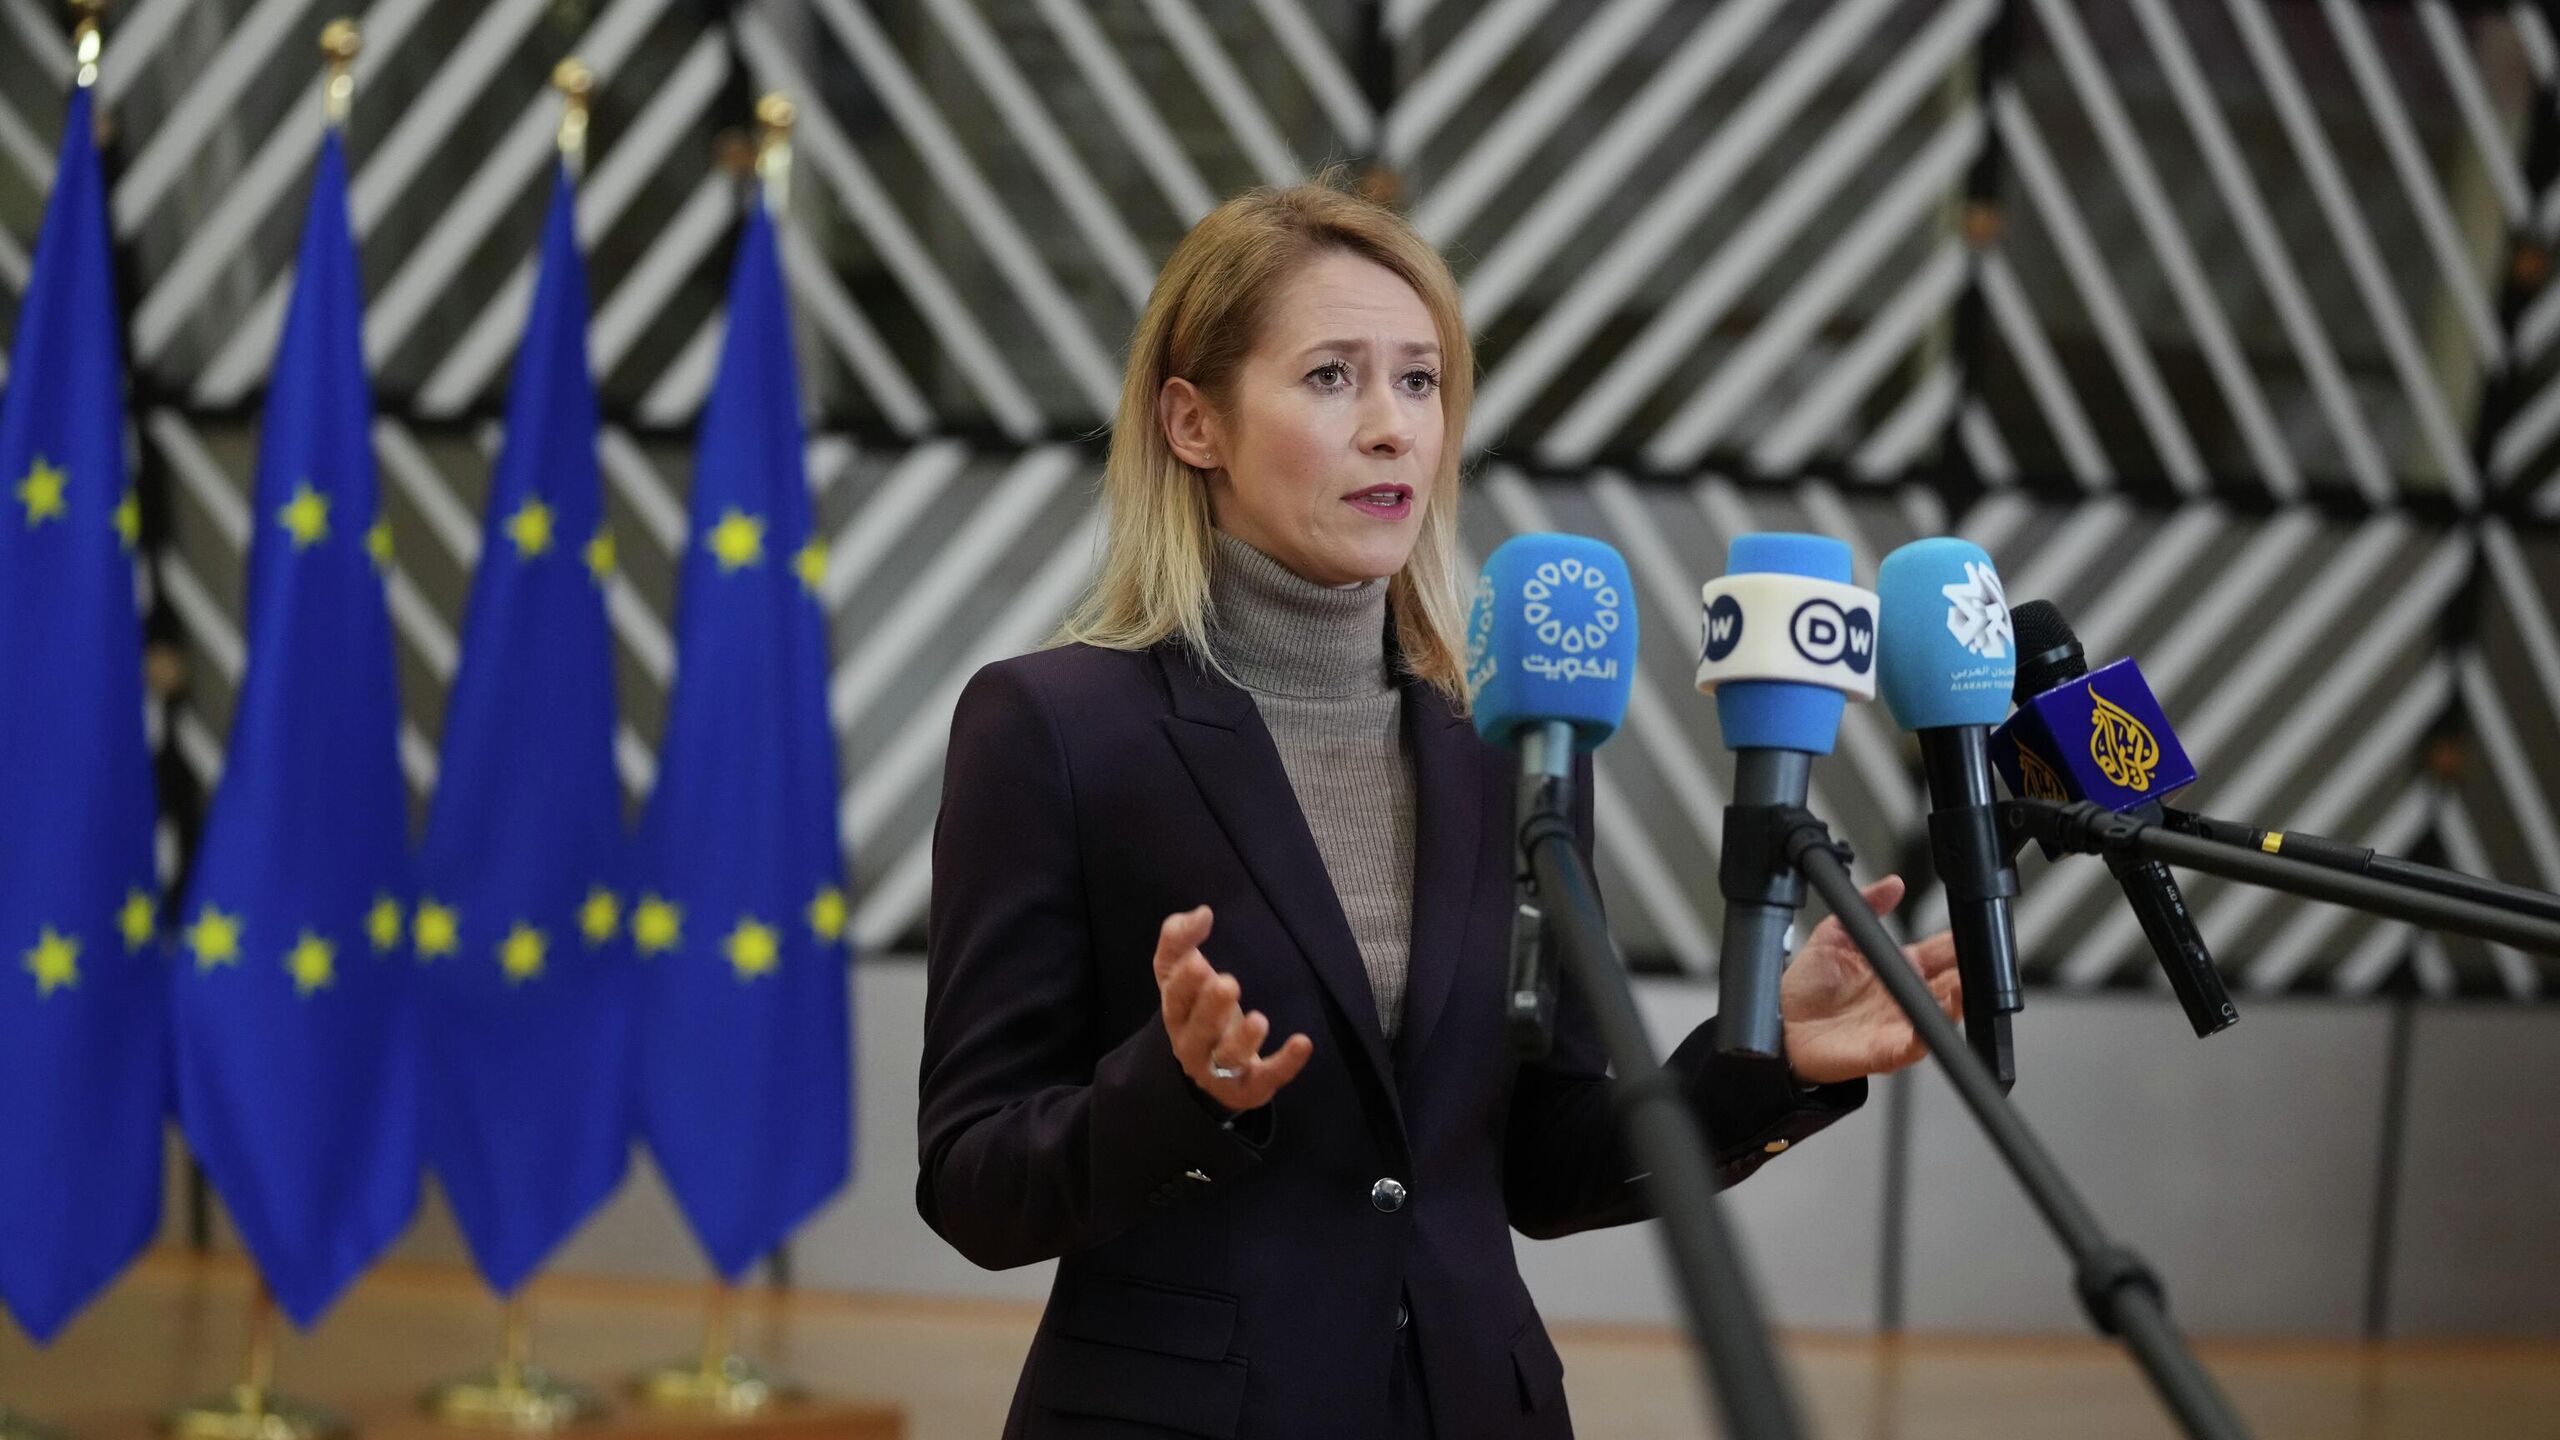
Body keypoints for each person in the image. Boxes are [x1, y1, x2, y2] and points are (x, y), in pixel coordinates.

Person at [918, 180, 1964, 1440]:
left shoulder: (1508, 741)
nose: (1392, 428)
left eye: (1419, 381)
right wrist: (1178, 1091)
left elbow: (1545, 1163)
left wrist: (1766, 1058)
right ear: (1194, 423)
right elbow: (973, 1181)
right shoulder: (1055, 726)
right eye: (1331, 377)